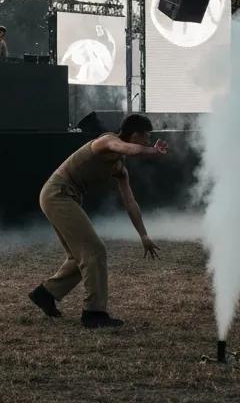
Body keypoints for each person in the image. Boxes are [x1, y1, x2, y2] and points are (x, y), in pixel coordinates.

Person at [29, 114, 165, 328]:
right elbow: (131, 149)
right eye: (146, 137)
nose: (148, 142)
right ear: (135, 134)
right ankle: (94, 313)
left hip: (66, 196)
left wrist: (144, 235)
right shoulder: (107, 141)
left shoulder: (120, 168)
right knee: (94, 250)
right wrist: (152, 151)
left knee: (79, 256)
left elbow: (130, 203)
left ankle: (45, 294)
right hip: (57, 193)